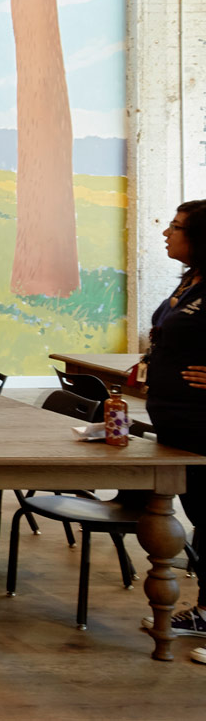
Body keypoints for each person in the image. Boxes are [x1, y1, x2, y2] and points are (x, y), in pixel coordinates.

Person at [134, 201, 206, 656]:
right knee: (204, 519)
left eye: (176, 227)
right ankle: (204, 613)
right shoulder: (190, 280)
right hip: (178, 423)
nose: (166, 233)